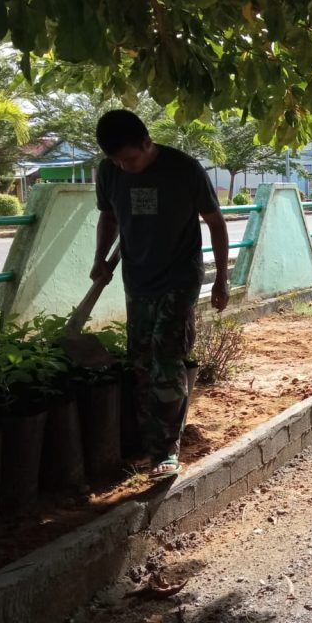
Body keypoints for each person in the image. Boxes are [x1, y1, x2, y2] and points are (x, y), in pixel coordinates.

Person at [91, 109, 230, 480]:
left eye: (130, 159)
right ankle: (149, 442)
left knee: (166, 357)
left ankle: (167, 449)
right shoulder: (109, 172)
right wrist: (100, 258)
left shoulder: (184, 169)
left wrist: (221, 279)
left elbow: (216, 223)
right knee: (141, 360)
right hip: (137, 279)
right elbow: (109, 216)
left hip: (179, 277)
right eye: (117, 161)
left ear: (147, 142)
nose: (124, 167)